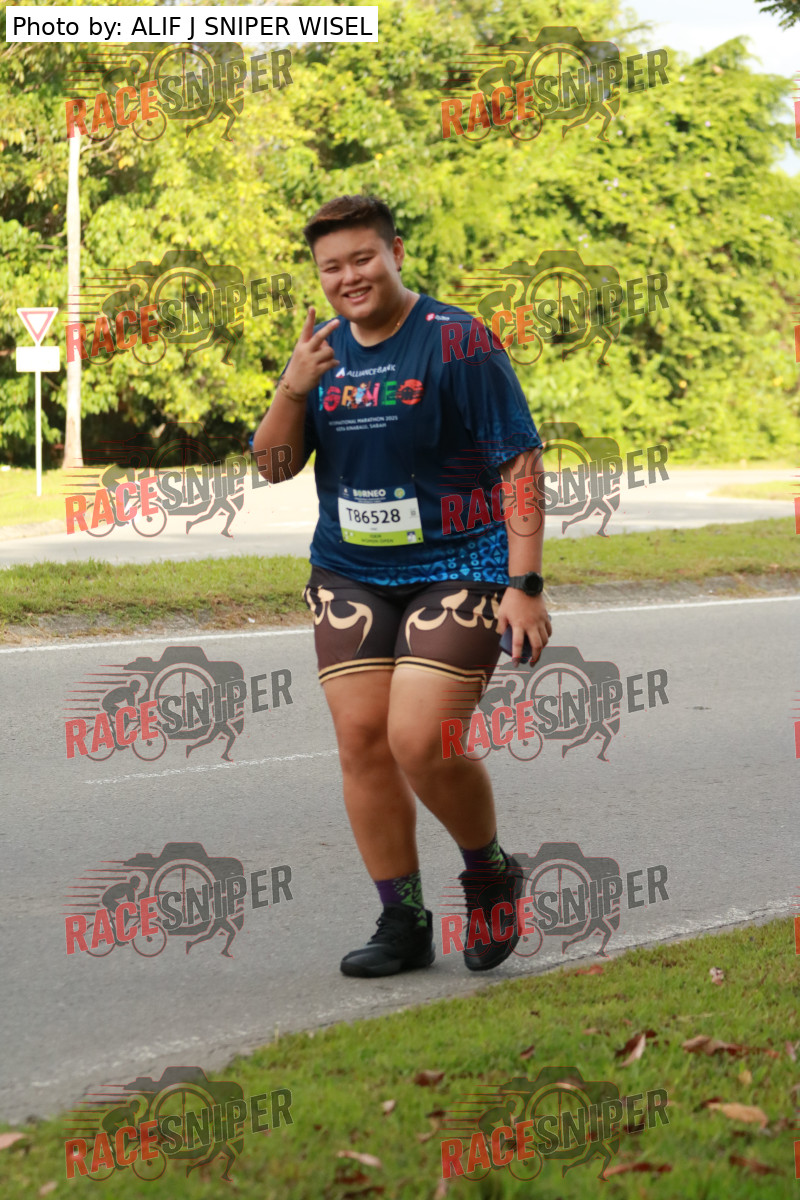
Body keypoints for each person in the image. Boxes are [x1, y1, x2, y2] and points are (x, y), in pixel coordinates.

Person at [252, 195, 551, 978]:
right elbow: (274, 468)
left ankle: (489, 874)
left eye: (363, 258)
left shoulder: (457, 340)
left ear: (396, 253)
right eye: (332, 267)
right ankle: (404, 921)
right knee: (362, 740)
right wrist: (292, 389)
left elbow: (518, 462)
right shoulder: (320, 355)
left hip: (461, 563)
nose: (348, 277)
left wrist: (525, 582)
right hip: (350, 570)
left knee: (420, 738)